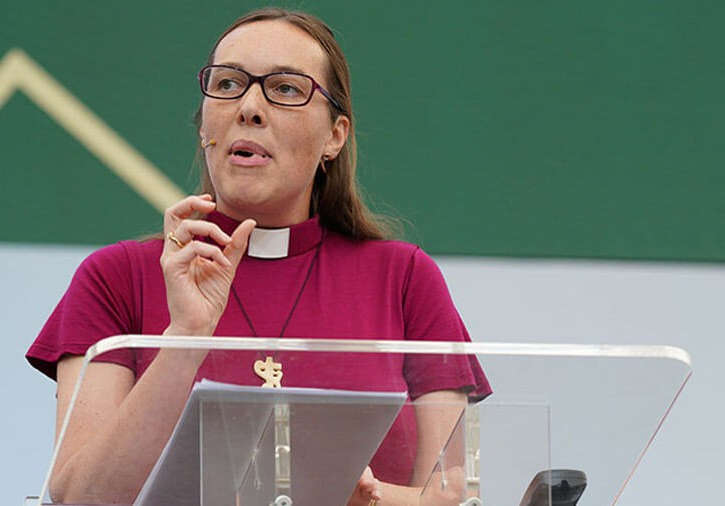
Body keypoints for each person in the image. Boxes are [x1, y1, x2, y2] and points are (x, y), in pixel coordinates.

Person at [27, 8, 490, 506]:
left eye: (286, 89)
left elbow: (451, 494)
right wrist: (185, 339)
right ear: (203, 122)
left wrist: (363, 498)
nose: (249, 107)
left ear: (334, 136)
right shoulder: (116, 278)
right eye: (227, 84)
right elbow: (79, 496)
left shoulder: (403, 278)